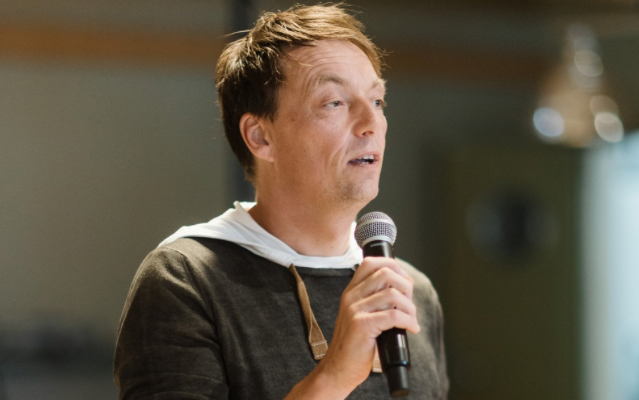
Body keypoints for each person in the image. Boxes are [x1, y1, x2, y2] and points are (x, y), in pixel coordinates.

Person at [113, 4, 448, 399]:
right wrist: (334, 375)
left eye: (377, 101)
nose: (371, 123)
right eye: (334, 102)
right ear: (260, 137)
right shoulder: (186, 278)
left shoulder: (409, 290)